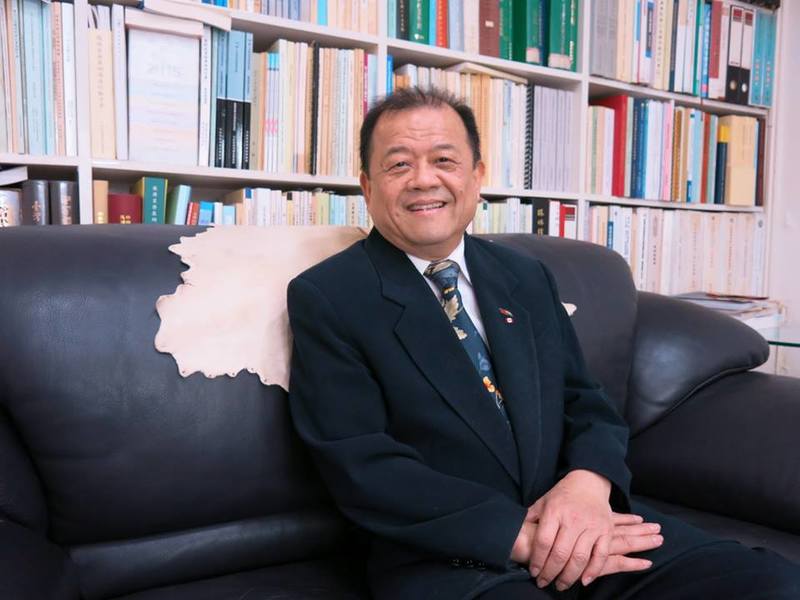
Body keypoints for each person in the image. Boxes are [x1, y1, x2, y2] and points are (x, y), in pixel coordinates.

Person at [286, 87, 800, 599]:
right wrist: (522, 537)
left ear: (476, 176)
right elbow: (361, 464)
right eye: (399, 164)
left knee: (771, 583)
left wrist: (588, 485)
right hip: (452, 555)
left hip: (581, 523)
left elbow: (585, 400)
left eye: (444, 160)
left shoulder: (524, 276)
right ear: (367, 185)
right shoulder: (330, 296)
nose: (424, 179)